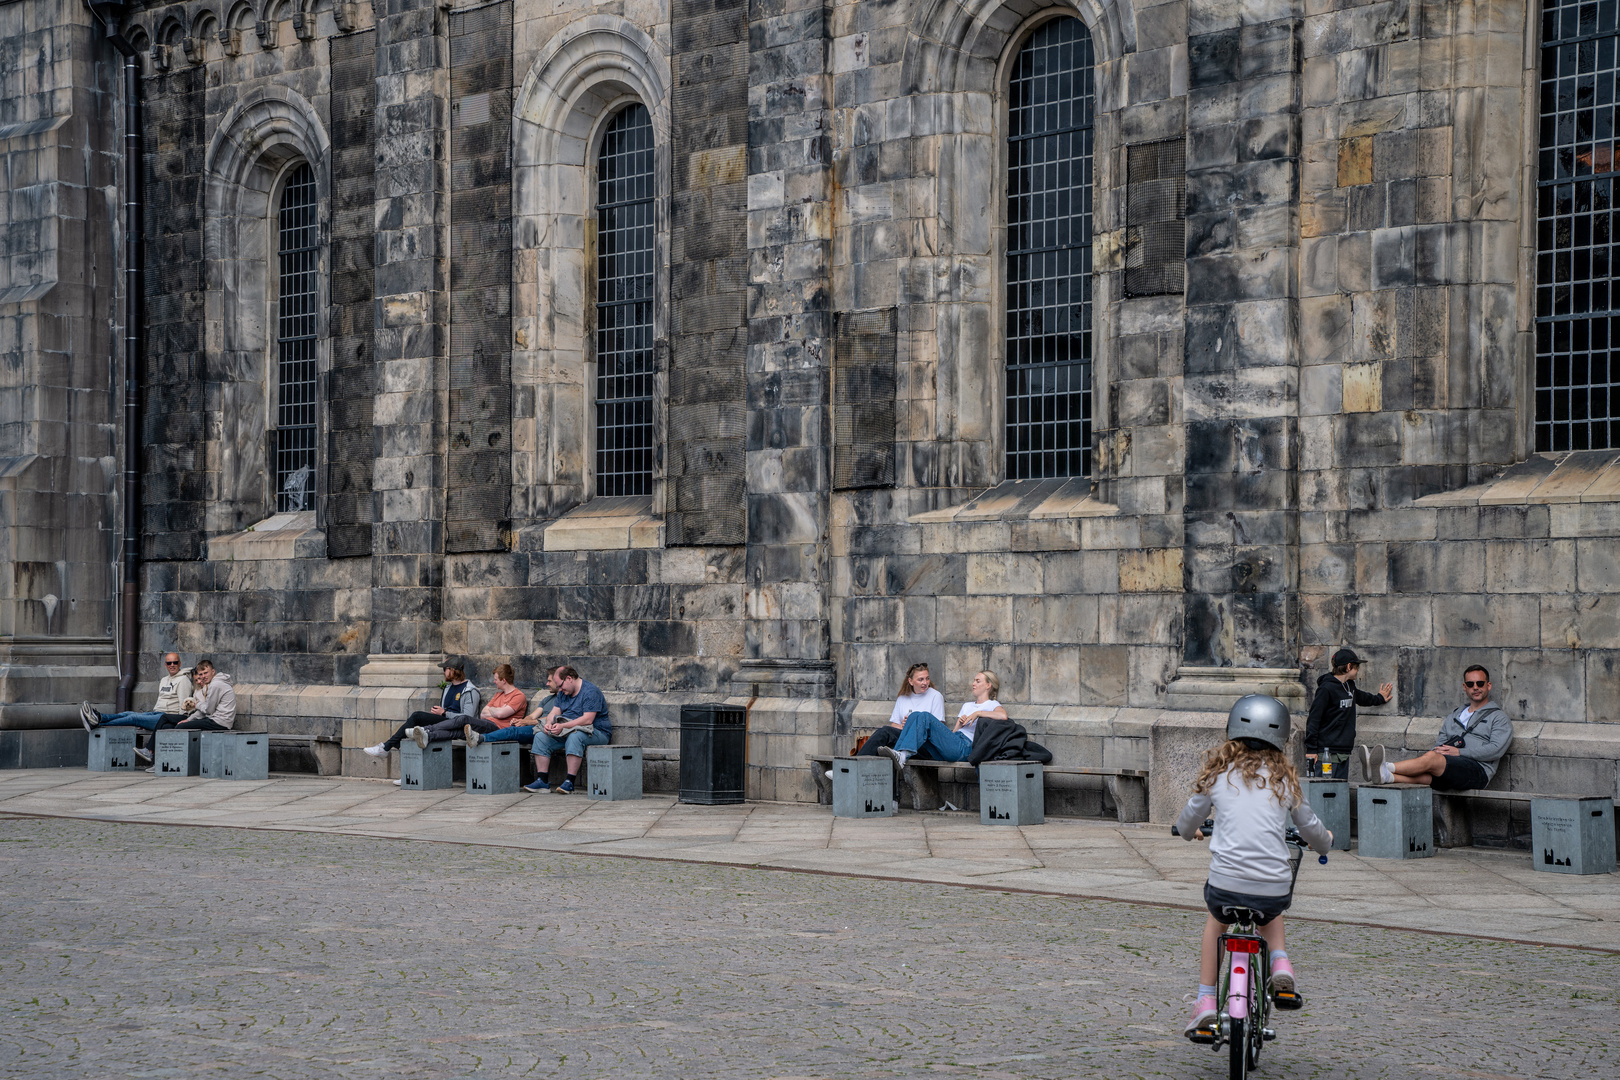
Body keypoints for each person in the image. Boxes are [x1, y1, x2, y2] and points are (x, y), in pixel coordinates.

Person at [1176, 695, 1332, 1039]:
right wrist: (1326, 842)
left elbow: (1188, 821)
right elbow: (1309, 827)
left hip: (1224, 885)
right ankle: (1279, 962)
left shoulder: (1218, 775)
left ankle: (1204, 1001)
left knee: (1215, 924)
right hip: (1271, 887)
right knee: (1271, 906)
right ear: (1282, 738)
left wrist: (1191, 832)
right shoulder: (1285, 781)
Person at [1358, 665, 1512, 790]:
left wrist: (1459, 752)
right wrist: (1436, 751)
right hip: (1448, 767)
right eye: (1471, 684)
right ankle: (1386, 776)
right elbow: (1441, 742)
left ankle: (1384, 766)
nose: (1476, 687)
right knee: (1428, 773)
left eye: (1480, 683)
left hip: (1478, 772)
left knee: (1432, 760)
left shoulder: (1499, 718)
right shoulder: (1455, 715)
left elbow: (1496, 749)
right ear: (1465, 687)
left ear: (1488, 685)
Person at [877, 670, 1006, 772]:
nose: (973, 684)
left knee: (925, 716)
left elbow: (1003, 716)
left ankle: (902, 755)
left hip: (966, 748)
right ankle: (901, 754)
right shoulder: (967, 705)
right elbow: (955, 732)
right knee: (915, 715)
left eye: (978, 681)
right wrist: (960, 724)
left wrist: (978, 713)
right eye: (974, 681)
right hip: (955, 742)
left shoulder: (992, 704)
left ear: (988, 685)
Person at [1304, 647, 1393, 779]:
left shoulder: (1349, 685)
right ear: (1348, 666)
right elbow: (1314, 719)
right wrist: (1311, 750)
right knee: (1324, 790)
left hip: (1343, 751)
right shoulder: (1326, 689)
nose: (1358, 671)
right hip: (1327, 753)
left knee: (1340, 790)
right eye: (1356, 667)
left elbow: (1361, 697)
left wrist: (1379, 698)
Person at [362, 660, 480, 757]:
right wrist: (439, 713)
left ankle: (385, 747)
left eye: (445, 669)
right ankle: (410, 773)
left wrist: (444, 713)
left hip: (457, 727)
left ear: (452, 670)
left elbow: (468, 718)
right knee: (415, 731)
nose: (443, 672)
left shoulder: (470, 691)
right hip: (446, 723)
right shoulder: (448, 688)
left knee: (417, 718)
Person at [523, 667, 610, 794]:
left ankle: (569, 782)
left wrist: (563, 726)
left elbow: (587, 720)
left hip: (597, 732)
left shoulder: (590, 691)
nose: (560, 690)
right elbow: (554, 712)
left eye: (561, 686)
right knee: (541, 736)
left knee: (576, 736)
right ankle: (542, 781)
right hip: (567, 730)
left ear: (569, 678)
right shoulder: (563, 692)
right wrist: (548, 723)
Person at [81, 652, 193, 739]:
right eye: (169, 663)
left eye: (175, 662)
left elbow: (184, 705)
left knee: (133, 718)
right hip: (156, 714)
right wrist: (146, 720)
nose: (172, 665)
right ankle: (99, 718)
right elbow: (160, 701)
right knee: (127, 713)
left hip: (168, 718)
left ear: (180, 664)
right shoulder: (164, 680)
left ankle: (98, 721)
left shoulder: (183, 680)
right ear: (165, 665)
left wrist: (179, 723)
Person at [466, 665, 563, 748]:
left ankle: (481, 738)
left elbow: (553, 718)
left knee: (512, 731)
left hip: (545, 729)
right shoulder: (547, 699)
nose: (547, 684)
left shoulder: (565, 700)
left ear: (558, 681)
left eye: (549, 681)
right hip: (535, 727)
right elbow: (532, 716)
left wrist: (527, 722)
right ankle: (476, 737)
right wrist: (523, 721)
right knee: (513, 730)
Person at [451, 663, 527, 744]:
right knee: (456, 732)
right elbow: (483, 714)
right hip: (487, 724)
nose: (494, 682)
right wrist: (497, 710)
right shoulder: (498, 694)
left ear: (504, 680)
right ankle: (435, 732)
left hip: (497, 728)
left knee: (464, 719)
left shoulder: (518, 696)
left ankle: (436, 729)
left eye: (496, 679)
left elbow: (500, 714)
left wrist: (492, 709)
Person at [168, 658, 237, 732]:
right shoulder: (216, 682)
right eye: (201, 674)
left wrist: (197, 704)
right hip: (217, 720)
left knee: (180, 727)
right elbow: (207, 710)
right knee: (170, 725)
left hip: (219, 722)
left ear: (213, 671)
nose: (203, 676)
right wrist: (188, 720)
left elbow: (208, 710)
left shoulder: (215, 685)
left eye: (206, 673)